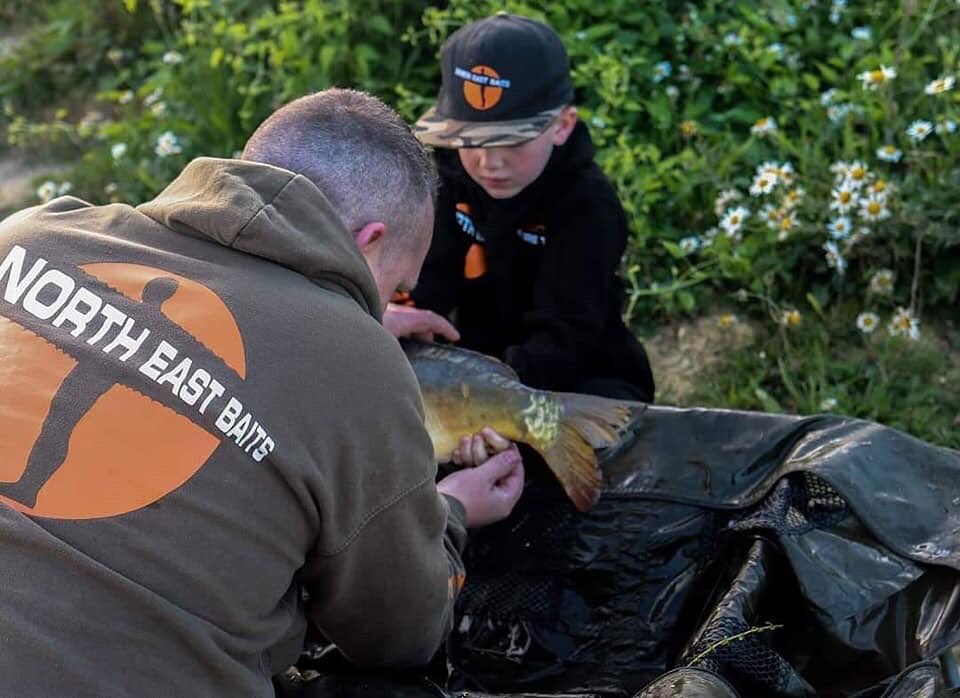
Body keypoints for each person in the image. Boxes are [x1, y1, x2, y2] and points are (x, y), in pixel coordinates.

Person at [0, 88, 523, 696]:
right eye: (397, 288)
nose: (385, 308)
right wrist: (452, 514)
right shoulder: (362, 368)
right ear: (369, 240)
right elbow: (398, 636)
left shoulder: (30, 235)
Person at [391, 13, 656, 405]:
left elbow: (565, 333)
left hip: (581, 378)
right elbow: (426, 284)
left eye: (512, 142)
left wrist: (493, 400)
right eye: (470, 140)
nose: (489, 162)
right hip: (471, 368)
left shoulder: (588, 205)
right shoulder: (447, 184)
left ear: (562, 126)